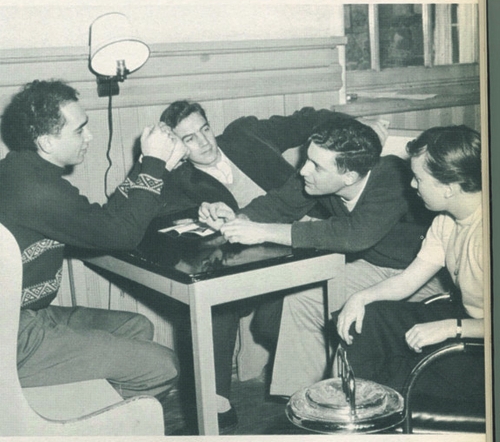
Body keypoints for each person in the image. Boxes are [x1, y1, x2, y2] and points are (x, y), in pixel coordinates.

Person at [123, 100, 389, 430]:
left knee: (278, 321)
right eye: (189, 138)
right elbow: (135, 212)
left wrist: (360, 131)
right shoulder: (179, 180)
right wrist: (152, 161)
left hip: (324, 237)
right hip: (259, 260)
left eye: (204, 129)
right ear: (176, 145)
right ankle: (216, 403)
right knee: (221, 305)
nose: (204, 141)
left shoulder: (244, 135)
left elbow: (307, 119)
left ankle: (324, 398)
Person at [199, 116, 449, 397]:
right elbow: (280, 203)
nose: (304, 170)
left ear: (349, 177)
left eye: (316, 165)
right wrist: (238, 218)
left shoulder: (393, 177)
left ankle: (338, 404)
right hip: (374, 267)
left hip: (421, 276)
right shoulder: (318, 179)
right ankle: (303, 402)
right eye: (307, 159)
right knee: (301, 300)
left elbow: (354, 235)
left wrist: (262, 232)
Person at [0, 80, 187, 408]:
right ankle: (82, 425)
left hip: (28, 314)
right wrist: (155, 165)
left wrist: (151, 165)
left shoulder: (21, 172)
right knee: (163, 366)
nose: (89, 136)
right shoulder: (37, 190)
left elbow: (103, 220)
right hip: (13, 336)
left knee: (136, 326)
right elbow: (121, 234)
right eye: (79, 130)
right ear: (46, 141)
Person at [335, 125, 484, 397]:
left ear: (448, 188)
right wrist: (360, 298)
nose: (412, 185)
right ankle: (354, 408)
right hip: (466, 323)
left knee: (395, 373)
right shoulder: (446, 222)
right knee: (368, 320)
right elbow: (408, 280)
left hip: (482, 344)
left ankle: (374, 410)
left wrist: (452, 328)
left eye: (418, 178)